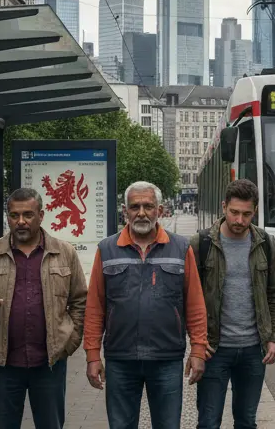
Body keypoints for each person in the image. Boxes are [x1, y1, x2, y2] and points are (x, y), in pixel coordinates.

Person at [84, 181, 208, 429]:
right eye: (135, 206)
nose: (141, 212)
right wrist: (92, 355)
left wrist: (197, 350)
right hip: (120, 359)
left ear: (159, 210)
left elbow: (194, 303)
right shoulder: (107, 249)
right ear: (125, 210)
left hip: (167, 358)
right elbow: (95, 307)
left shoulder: (181, 248)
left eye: (148, 206)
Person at [0, 187, 87, 429]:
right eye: (14, 215)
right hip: (3, 365)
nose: (20, 221)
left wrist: (70, 342)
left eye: (28, 215)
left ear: (41, 215)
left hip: (49, 363)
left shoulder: (64, 253)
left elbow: (79, 300)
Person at [191, 179, 275, 429]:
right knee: (208, 422)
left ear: (254, 211)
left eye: (246, 214)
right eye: (234, 212)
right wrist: (197, 343)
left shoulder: (265, 243)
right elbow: (187, 299)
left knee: (246, 421)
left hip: (253, 349)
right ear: (224, 207)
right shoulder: (201, 243)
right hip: (214, 349)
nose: (239, 220)